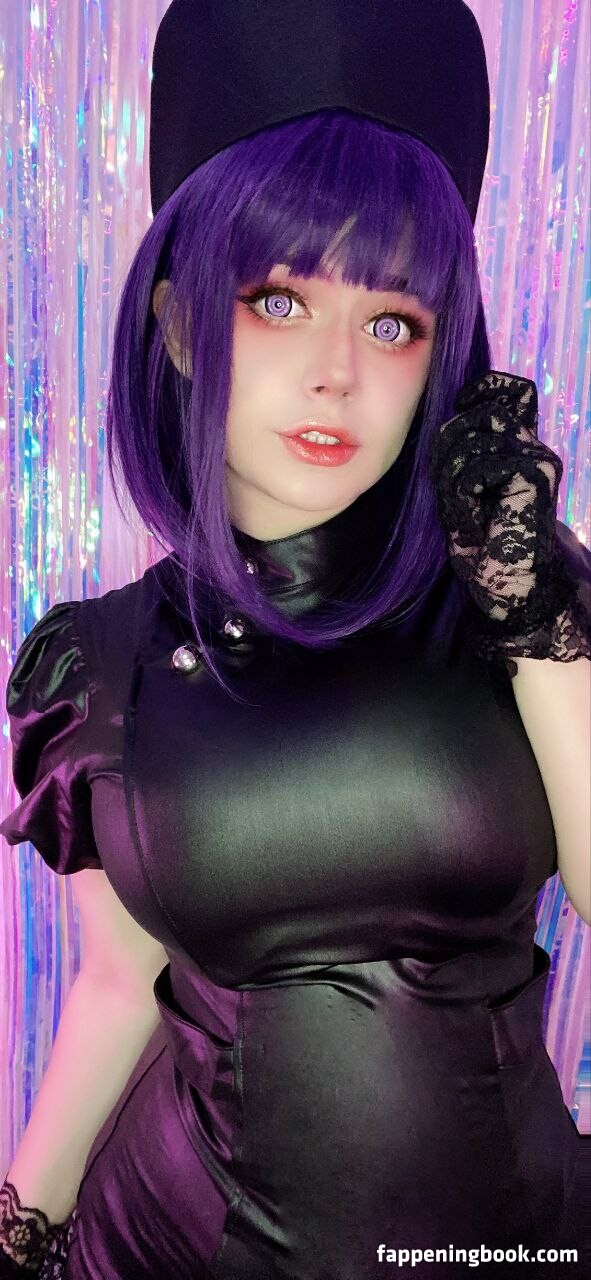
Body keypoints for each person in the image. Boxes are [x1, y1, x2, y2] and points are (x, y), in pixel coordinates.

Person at [1, 1, 590, 1277]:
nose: (337, 373)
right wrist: (18, 1226)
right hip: (177, 1244)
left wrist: (535, 608)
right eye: (277, 299)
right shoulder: (98, 664)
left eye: (391, 322)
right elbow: (117, 985)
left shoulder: (522, 601)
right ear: (177, 323)